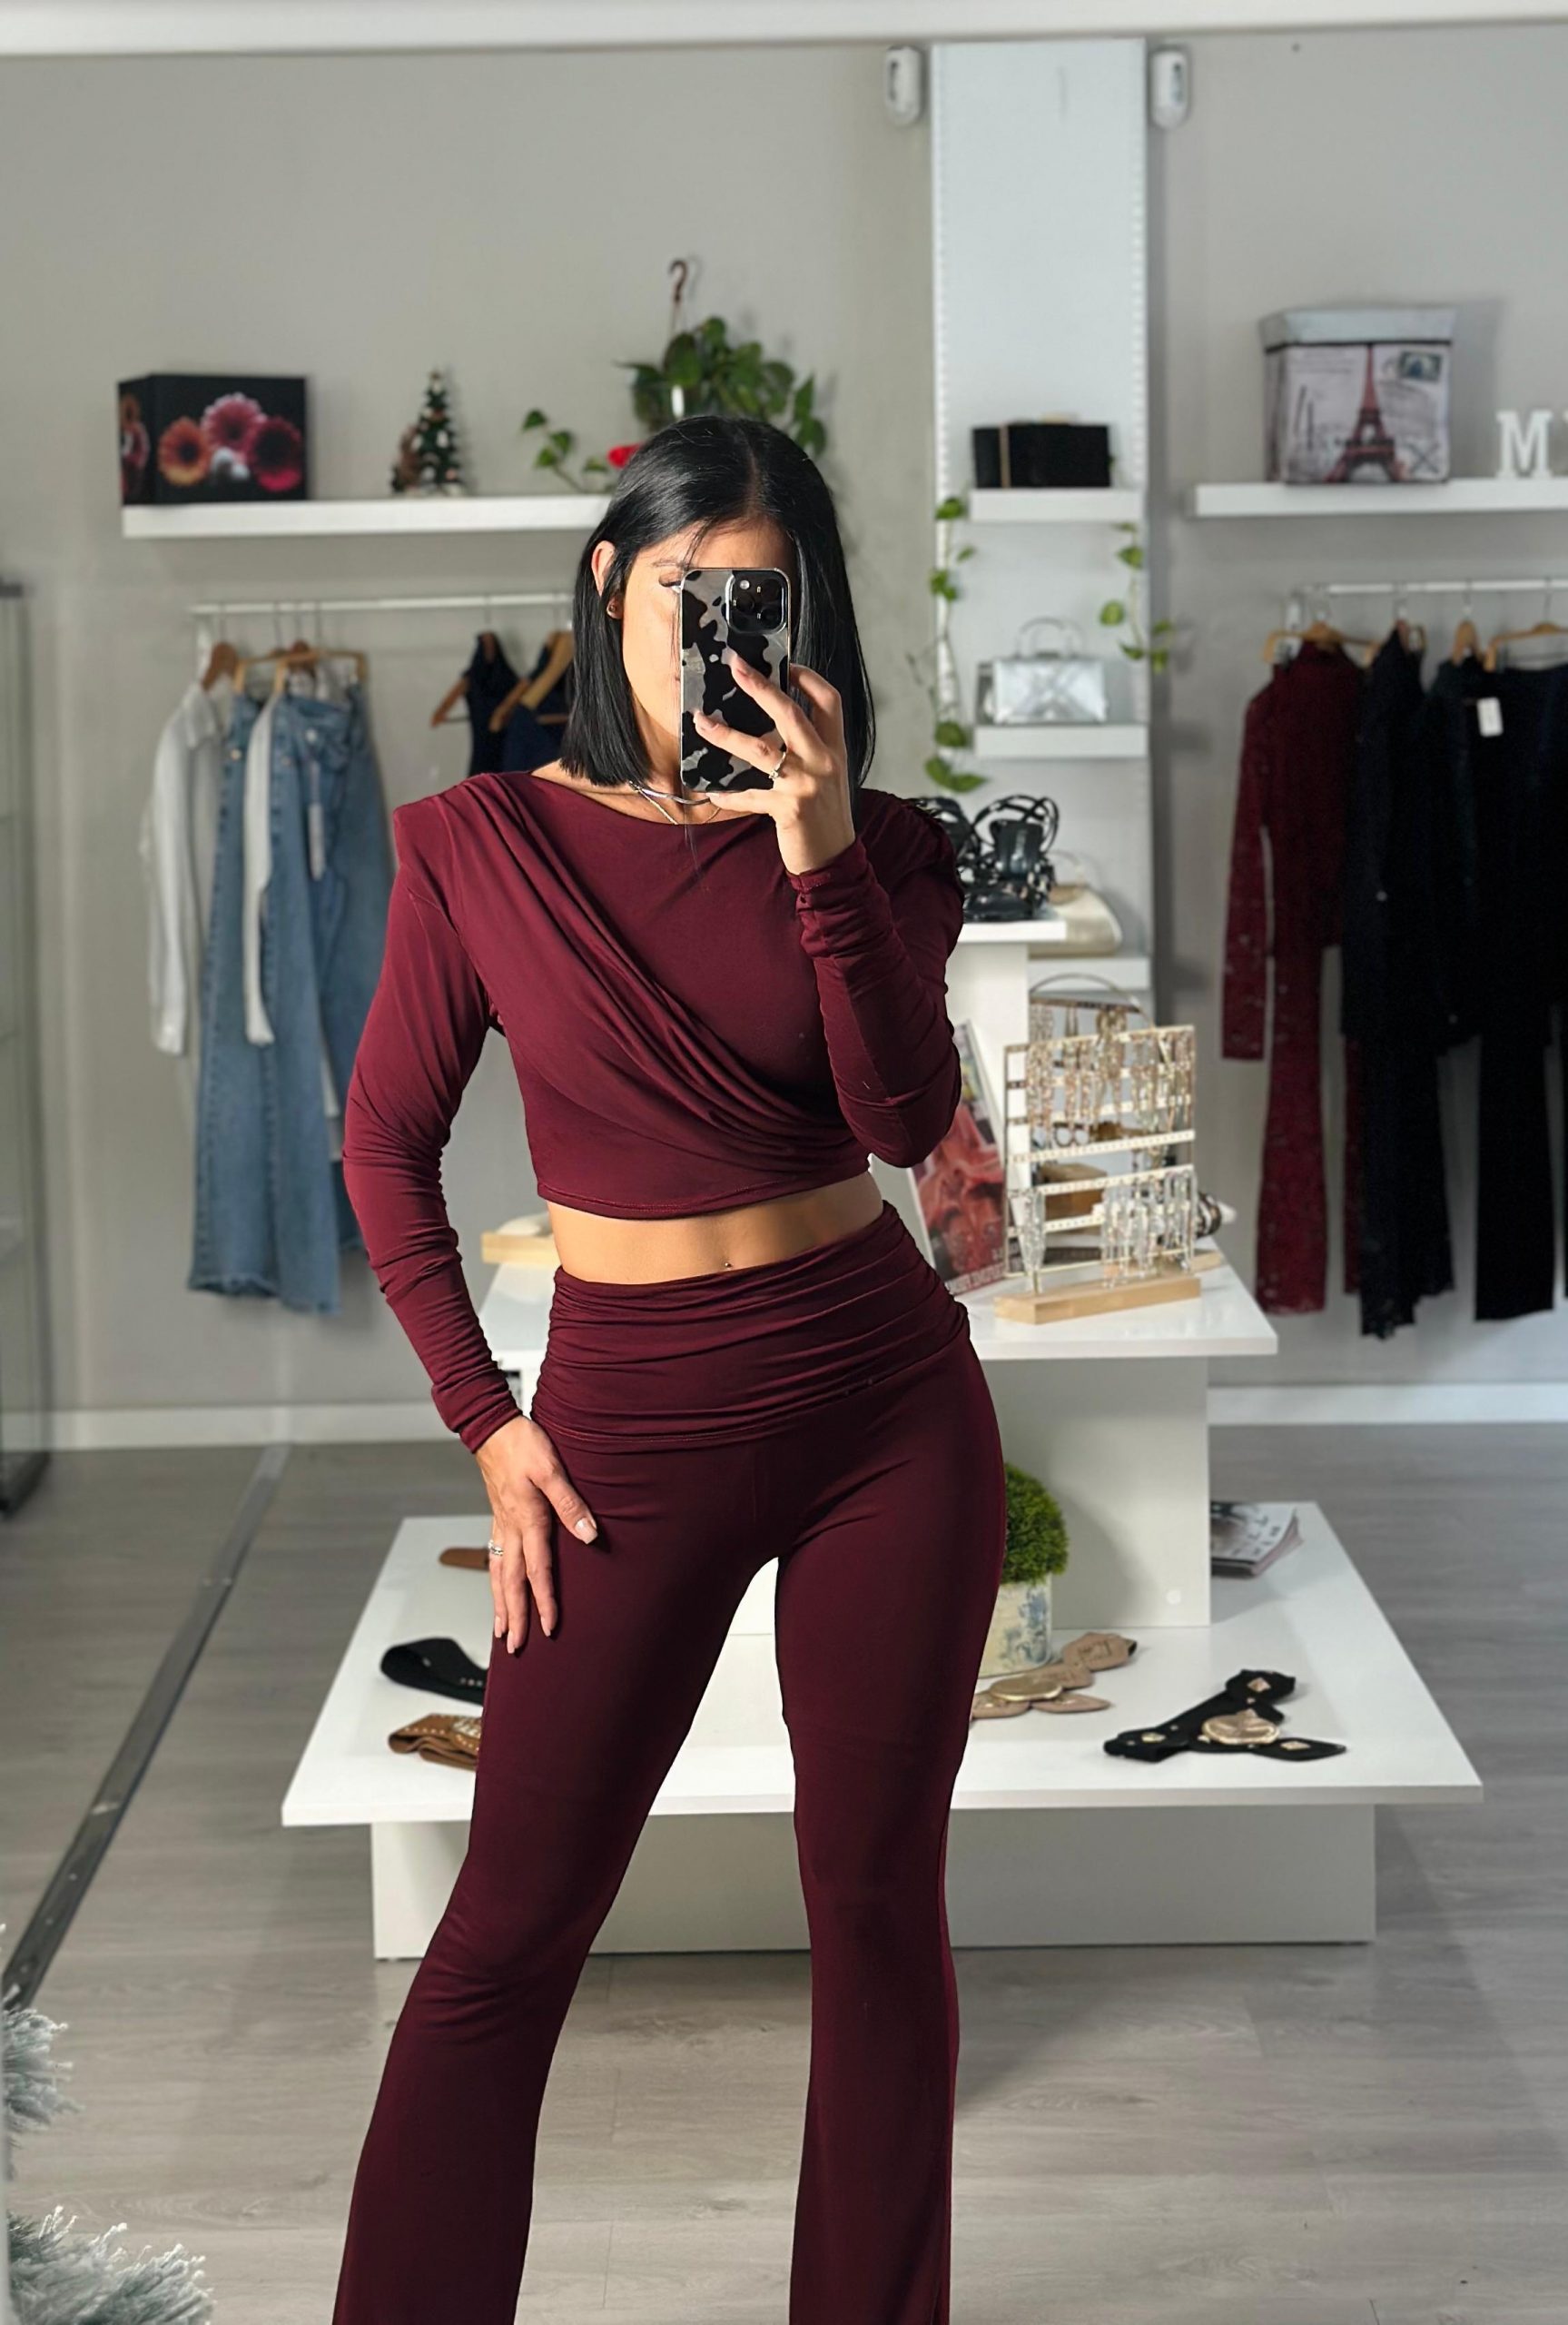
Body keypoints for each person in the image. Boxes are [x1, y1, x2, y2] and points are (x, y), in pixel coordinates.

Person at [330, 411, 1009, 2325]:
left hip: (886, 1406)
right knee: (509, 1930)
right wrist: (488, 1422)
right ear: (613, 585)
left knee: (875, 1910)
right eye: (691, 592)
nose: (721, 637)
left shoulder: (887, 846)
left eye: (761, 602)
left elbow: (901, 1120)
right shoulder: (480, 845)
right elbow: (382, 1145)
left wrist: (817, 847)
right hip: (627, 1420)